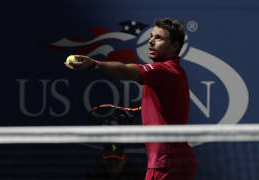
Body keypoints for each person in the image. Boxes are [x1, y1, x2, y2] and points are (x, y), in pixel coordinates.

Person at [65, 17, 196, 180]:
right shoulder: (175, 72)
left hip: (167, 163)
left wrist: (95, 64)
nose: (151, 42)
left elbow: (126, 70)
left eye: (159, 38)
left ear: (174, 46)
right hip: (174, 161)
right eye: (151, 36)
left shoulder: (163, 70)